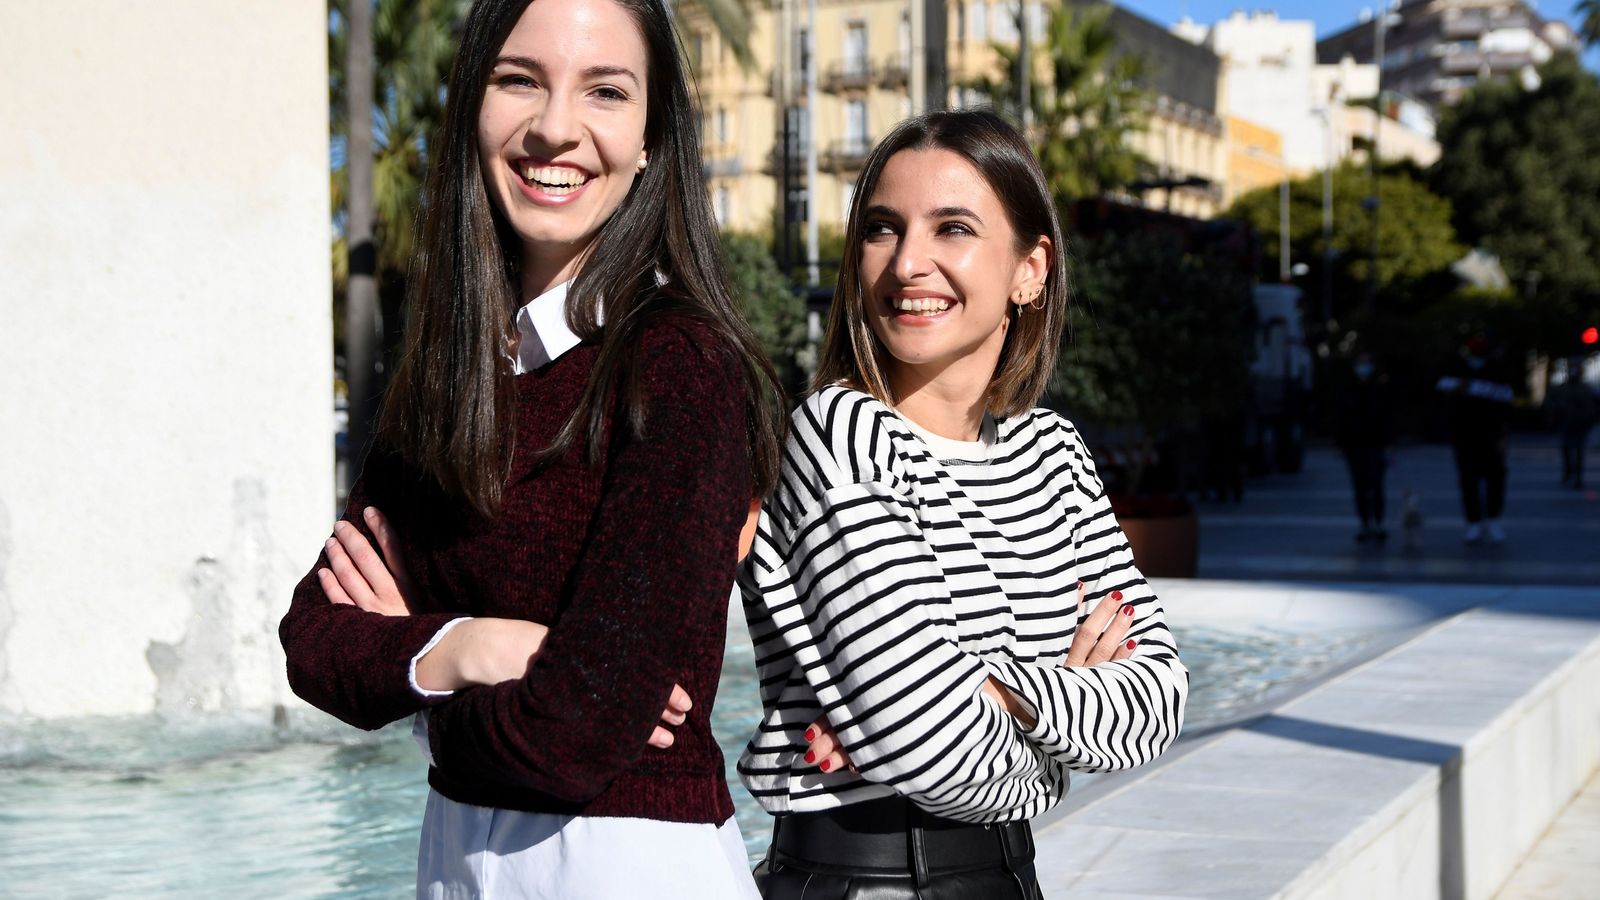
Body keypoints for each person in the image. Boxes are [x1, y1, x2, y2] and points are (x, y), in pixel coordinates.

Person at [278, 1, 783, 897]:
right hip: (458, 860)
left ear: (650, 140)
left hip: (622, 865)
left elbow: (580, 724)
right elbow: (314, 643)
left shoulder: (680, 365)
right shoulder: (455, 367)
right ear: (473, 103)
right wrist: (474, 648)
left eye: (606, 91)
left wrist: (413, 677)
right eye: (519, 80)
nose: (555, 128)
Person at [737, 110, 1188, 899]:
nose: (909, 261)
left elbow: (1159, 697)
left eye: (952, 229)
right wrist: (1058, 733)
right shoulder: (840, 437)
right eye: (882, 228)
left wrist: (997, 688)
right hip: (857, 880)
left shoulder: (1052, 451)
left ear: (1029, 268)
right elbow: (933, 747)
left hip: (1008, 878)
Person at [1436, 335, 1515, 543]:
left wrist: (1504, 435)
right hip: (1464, 436)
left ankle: (1494, 519)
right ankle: (1474, 523)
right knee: (1468, 481)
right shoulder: (1456, 369)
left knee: (1494, 480)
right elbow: (1441, 387)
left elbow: (1507, 401)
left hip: (1491, 435)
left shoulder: (1497, 370)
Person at [1332, 351, 1396, 543]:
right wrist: (1340, 442)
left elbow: (1388, 417)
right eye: (1361, 363)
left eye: (1367, 363)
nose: (1364, 367)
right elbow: (1339, 417)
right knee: (1360, 486)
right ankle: (1364, 523)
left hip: (1376, 443)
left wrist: (1390, 443)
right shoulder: (1347, 388)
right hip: (1354, 444)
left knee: (1376, 485)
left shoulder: (1380, 387)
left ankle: (1378, 522)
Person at [1546, 357, 1596, 489]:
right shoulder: (1562, 388)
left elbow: (1592, 407)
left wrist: (1588, 420)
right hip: (1566, 423)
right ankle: (1568, 473)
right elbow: (1553, 403)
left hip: (1580, 424)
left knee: (1579, 451)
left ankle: (1578, 477)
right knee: (1566, 449)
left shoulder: (1585, 389)